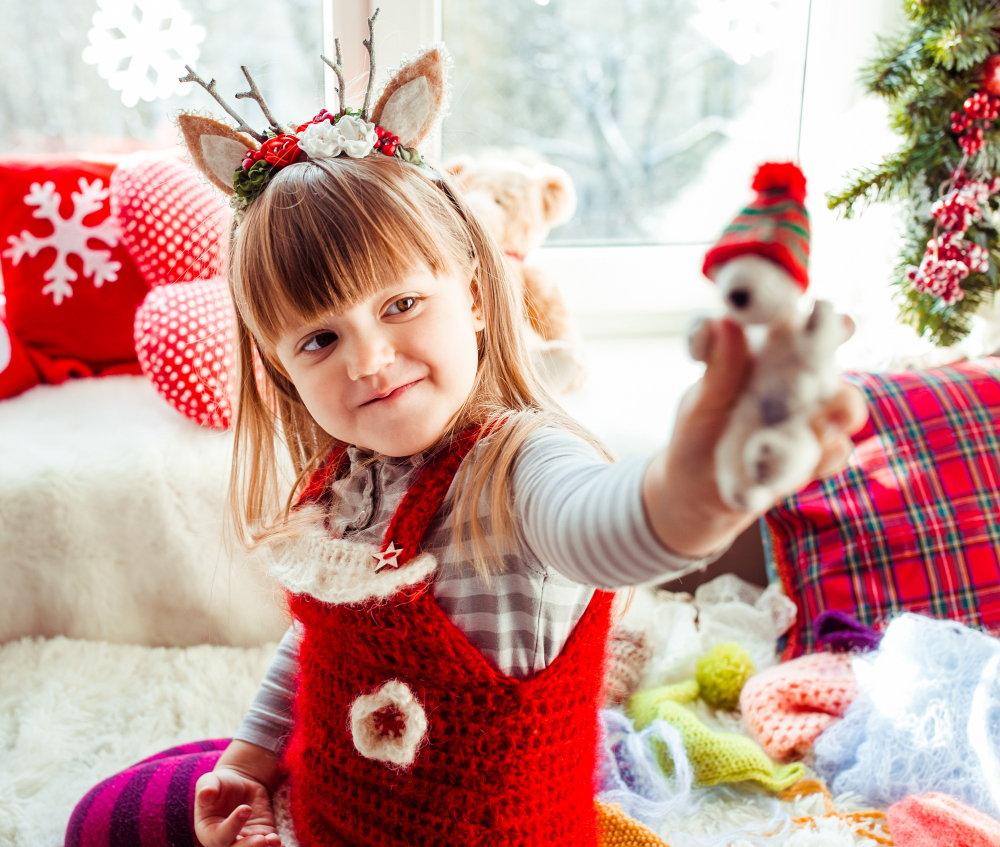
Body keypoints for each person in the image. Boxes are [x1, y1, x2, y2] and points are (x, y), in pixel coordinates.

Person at [66, 44, 866, 847]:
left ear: (477, 296)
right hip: (330, 810)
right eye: (319, 339)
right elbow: (320, 638)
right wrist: (248, 758)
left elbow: (612, 525)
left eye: (402, 302)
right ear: (281, 373)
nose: (369, 359)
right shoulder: (348, 481)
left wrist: (698, 489)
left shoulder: (521, 463)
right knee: (106, 810)